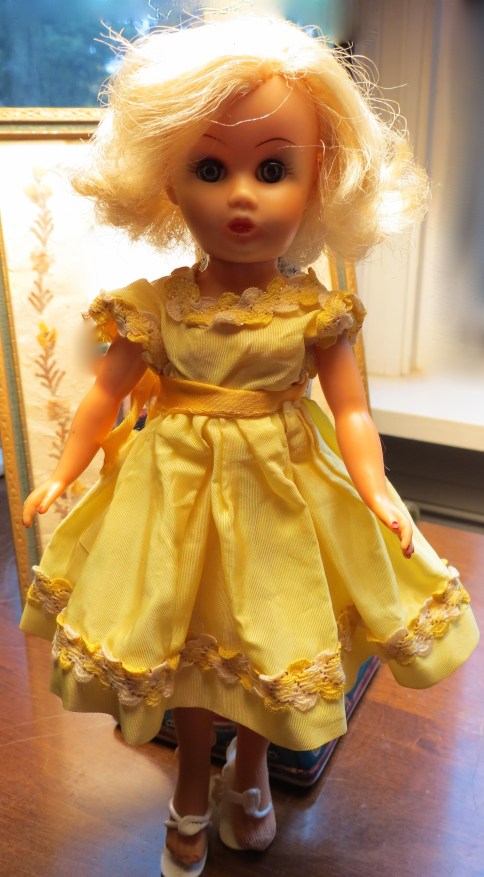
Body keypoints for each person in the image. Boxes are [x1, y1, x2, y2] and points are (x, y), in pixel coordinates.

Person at [20, 16, 479, 877]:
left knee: (271, 640)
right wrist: (66, 473)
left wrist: (376, 486)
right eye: (210, 168)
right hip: (174, 501)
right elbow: (105, 395)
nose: (241, 196)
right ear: (165, 178)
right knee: (191, 651)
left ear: (319, 183)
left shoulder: (314, 312)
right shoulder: (154, 306)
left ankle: (252, 771)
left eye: (272, 170)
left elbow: (351, 412)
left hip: (280, 498)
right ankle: (193, 784)